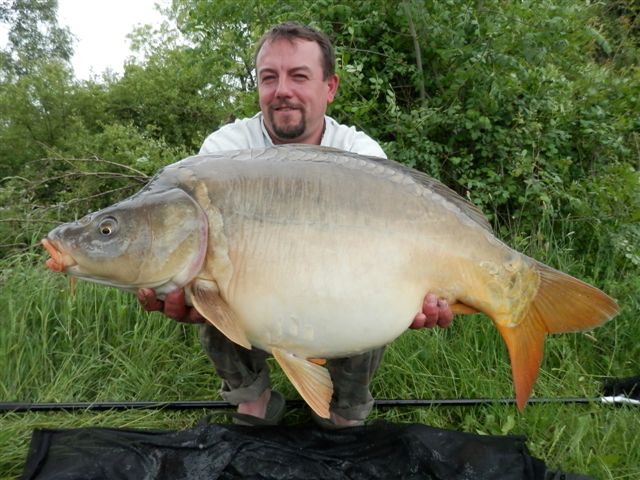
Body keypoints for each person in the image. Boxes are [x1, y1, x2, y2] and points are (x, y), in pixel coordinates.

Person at [138, 22, 453, 427]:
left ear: (330, 87)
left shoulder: (361, 155)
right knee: (207, 276)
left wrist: (424, 294)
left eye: (299, 76)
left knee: (370, 282)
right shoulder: (222, 155)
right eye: (269, 77)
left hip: (338, 290)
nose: (282, 89)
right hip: (257, 290)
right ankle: (253, 398)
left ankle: (345, 409)